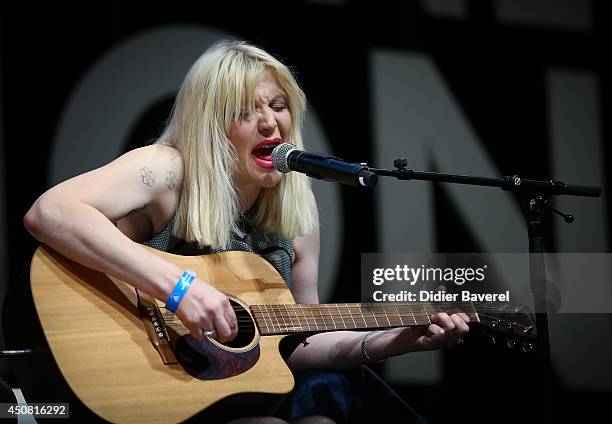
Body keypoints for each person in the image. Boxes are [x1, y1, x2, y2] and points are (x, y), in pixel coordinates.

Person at [23, 40, 470, 423]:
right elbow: (51, 211)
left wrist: (388, 341)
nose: (269, 123)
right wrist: (180, 289)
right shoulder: (167, 170)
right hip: (140, 377)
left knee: (321, 412)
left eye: (277, 107)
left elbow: (299, 340)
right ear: (211, 124)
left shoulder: (298, 212)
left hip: (221, 390)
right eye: (244, 111)